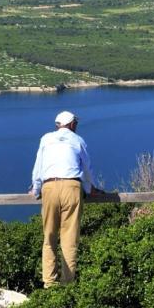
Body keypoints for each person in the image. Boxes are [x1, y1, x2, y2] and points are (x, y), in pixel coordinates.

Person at [29, 110, 99, 287]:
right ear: (72, 124)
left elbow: (38, 167)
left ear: (57, 125)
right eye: (76, 123)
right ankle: (67, 284)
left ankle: (49, 282)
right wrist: (90, 188)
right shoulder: (77, 140)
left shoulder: (45, 139)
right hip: (71, 187)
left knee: (49, 236)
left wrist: (36, 188)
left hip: (49, 187)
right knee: (69, 238)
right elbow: (87, 168)